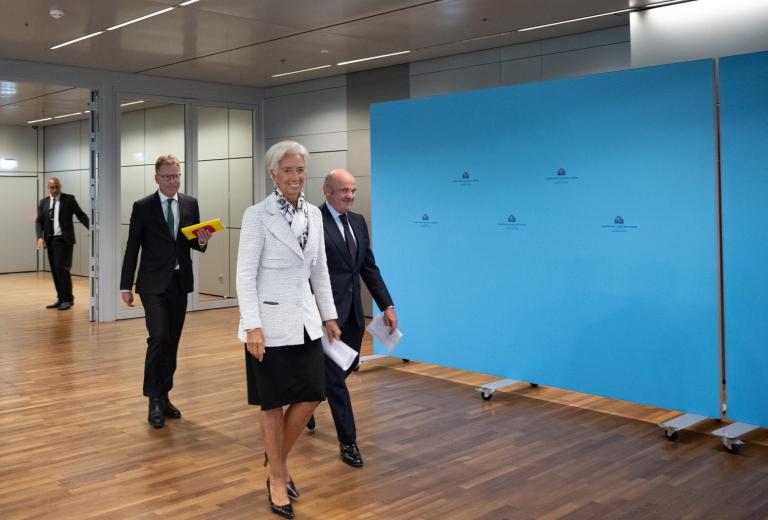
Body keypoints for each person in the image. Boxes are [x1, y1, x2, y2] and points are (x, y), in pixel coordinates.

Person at [237, 141, 341, 519]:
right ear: (273, 174)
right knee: (272, 404)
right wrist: (252, 326)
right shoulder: (256, 215)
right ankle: (278, 480)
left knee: (312, 395)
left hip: (306, 322)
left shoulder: (314, 214)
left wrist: (329, 317)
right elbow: (245, 276)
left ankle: (275, 463)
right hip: (267, 326)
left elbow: (319, 271)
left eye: (300, 170)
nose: (296, 177)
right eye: (288, 171)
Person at [310, 168, 398, 468]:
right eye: (343, 191)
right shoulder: (313, 221)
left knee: (349, 364)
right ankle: (348, 442)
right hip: (324, 316)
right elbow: (307, 273)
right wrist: (321, 315)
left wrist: (387, 304)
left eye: (353, 191)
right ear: (327, 191)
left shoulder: (358, 222)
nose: (349, 196)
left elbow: (368, 268)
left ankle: (308, 399)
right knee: (336, 379)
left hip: (352, 315)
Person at [120, 154, 212, 429]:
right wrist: (126, 285)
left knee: (172, 341)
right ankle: (153, 399)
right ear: (157, 178)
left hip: (178, 282)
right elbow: (132, 246)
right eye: (168, 176)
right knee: (159, 336)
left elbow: (190, 242)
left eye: (177, 175)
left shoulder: (189, 203)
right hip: (151, 284)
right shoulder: (143, 207)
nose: (173, 181)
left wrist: (202, 241)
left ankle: (165, 395)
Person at [35, 177, 90, 310]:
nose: (55, 190)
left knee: (62, 269)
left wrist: (93, 229)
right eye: (52, 187)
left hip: (64, 240)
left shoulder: (69, 199)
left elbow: (81, 215)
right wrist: (39, 237)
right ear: (48, 188)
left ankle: (68, 299)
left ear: (60, 186)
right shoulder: (44, 202)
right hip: (50, 241)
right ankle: (61, 298)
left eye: (57, 187)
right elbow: (39, 221)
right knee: (55, 270)